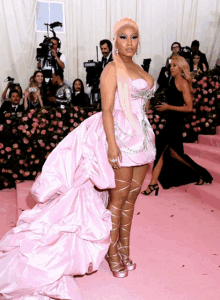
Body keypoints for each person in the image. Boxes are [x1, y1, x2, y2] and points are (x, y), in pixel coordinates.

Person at [0, 18, 156, 299]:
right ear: (115, 40)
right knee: (117, 202)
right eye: (123, 37)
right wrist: (111, 145)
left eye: (134, 37)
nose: (129, 42)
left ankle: (125, 250)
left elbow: (142, 103)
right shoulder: (111, 68)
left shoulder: (138, 68)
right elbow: (107, 110)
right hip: (120, 138)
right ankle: (112, 254)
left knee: (131, 200)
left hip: (142, 138)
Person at [142, 54, 213, 196]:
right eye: (171, 65)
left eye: (174, 65)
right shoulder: (172, 81)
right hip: (170, 121)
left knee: (166, 153)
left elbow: (188, 107)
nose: (171, 68)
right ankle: (154, 184)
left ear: (181, 67)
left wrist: (168, 107)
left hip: (176, 123)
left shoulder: (183, 83)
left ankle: (201, 174)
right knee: (168, 153)